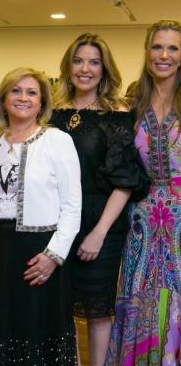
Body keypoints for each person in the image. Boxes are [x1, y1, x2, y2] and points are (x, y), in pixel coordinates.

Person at [50, 33, 149, 366]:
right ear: (68, 66)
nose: (85, 69)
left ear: (105, 70)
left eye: (94, 62)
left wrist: (99, 232)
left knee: (97, 309)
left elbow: (125, 181)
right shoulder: (51, 114)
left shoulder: (118, 115)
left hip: (99, 220)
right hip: (57, 222)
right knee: (58, 307)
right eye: (78, 61)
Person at [0, 67, 82, 365]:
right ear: (3, 98)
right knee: (1, 330)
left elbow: (73, 207)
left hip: (40, 252)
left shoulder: (57, 141)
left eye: (31, 92)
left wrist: (54, 255)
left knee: (39, 333)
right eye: (16, 90)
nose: (23, 98)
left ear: (42, 102)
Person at [106, 20, 181, 365]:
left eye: (173, 48)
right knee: (142, 300)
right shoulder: (130, 104)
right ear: (147, 52)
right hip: (141, 225)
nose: (163, 55)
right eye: (157, 47)